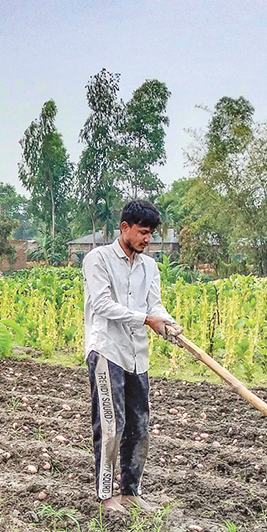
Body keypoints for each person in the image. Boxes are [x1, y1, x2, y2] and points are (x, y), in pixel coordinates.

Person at [83, 200, 182, 514]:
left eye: (151, 233)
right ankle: (105, 495)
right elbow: (102, 305)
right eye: (142, 232)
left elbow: (155, 305)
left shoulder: (148, 266)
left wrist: (166, 323)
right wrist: (146, 320)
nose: (147, 239)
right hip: (106, 350)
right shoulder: (97, 259)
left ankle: (131, 491)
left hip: (137, 354)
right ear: (124, 228)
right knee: (112, 424)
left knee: (139, 424)